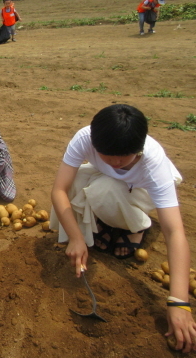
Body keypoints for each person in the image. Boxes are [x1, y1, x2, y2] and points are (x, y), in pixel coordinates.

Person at [49, 104, 196, 352]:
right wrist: (75, 238)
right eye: (108, 155)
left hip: (143, 189)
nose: (116, 162)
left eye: (124, 157)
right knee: (82, 181)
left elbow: (175, 232)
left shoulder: (154, 163)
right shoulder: (86, 138)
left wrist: (179, 302)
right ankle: (100, 226)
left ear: (138, 149)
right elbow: (59, 190)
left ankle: (135, 227)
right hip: (113, 182)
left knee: (107, 190)